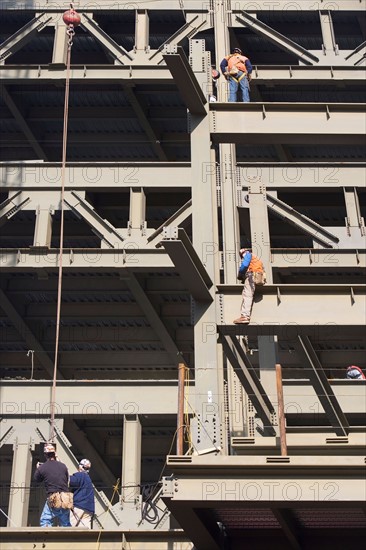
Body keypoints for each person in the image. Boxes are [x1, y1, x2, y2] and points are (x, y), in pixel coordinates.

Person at [33, 443, 71, 527]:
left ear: (45, 455)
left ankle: (46, 538)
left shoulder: (42, 467)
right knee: (65, 523)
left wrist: (38, 469)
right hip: (65, 497)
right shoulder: (63, 466)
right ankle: (68, 539)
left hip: (54, 496)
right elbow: (67, 478)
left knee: (45, 520)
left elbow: (37, 480)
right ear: (55, 454)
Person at [234, 248, 265, 324]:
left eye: (242, 255)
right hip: (258, 277)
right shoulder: (257, 259)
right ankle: (245, 316)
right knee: (249, 294)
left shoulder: (248, 255)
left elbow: (244, 265)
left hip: (251, 276)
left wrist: (240, 274)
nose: (242, 257)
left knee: (247, 295)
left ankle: (245, 316)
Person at [69, 458, 95, 528]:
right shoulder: (88, 479)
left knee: (69, 527)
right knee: (85, 530)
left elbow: (70, 481)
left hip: (79, 506)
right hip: (89, 509)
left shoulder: (80, 475)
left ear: (80, 466)